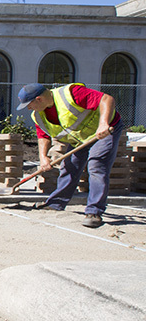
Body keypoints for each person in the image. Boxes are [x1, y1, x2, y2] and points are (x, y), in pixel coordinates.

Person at [17, 82, 124, 228]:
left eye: (29, 104)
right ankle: (56, 203)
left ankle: (94, 212)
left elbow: (106, 99)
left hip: (105, 130)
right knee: (69, 166)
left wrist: (103, 123)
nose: (28, 108)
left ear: (39, 99)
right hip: (80, 138)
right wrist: (43, 157)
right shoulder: (38, 115)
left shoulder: (71, 94)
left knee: (96, 165)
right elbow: (43, 136)